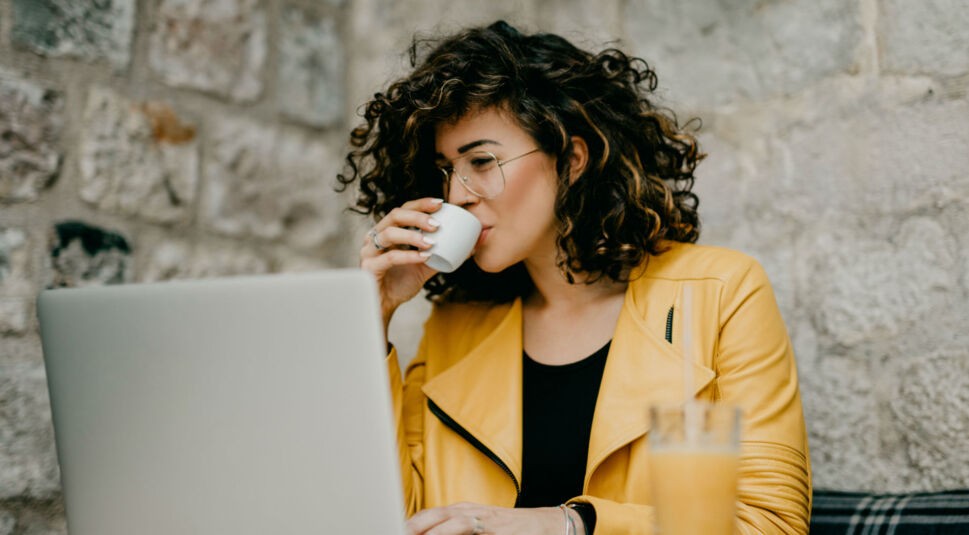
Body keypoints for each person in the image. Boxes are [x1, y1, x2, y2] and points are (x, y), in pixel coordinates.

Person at [339, 20, 811, 535]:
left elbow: (770, 524)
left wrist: (565, 526)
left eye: (481, 160)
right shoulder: (453, 328)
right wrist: (372, 317)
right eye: (447, 170)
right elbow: (388, 519)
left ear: (572, 159)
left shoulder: (721, 293)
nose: (458, 196)